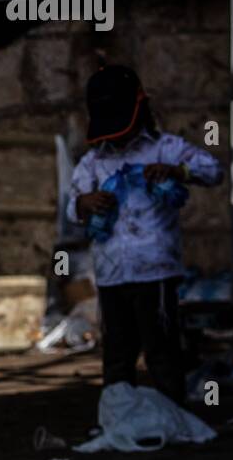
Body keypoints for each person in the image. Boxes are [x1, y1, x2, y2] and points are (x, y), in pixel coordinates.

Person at [67, 65, 223, 402]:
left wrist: (178, 171)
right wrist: (85, 204)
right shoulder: (93, 162)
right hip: (111, 277)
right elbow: (72, 207)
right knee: (117, 355)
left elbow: (213, 171)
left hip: (156, 274)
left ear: (140, 110)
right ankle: (119, 413)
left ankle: (174, 414)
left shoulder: (165, 148)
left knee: (162, 351)